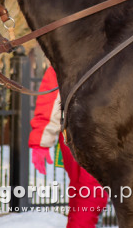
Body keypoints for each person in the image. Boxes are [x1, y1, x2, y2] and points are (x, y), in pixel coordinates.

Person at [29, 66, 109, 227]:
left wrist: (41, 140)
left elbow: (51, 95)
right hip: (97, 133)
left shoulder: (70, 48)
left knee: (81, 193)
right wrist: (40, 142)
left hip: (72, 132)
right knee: (91, 194)